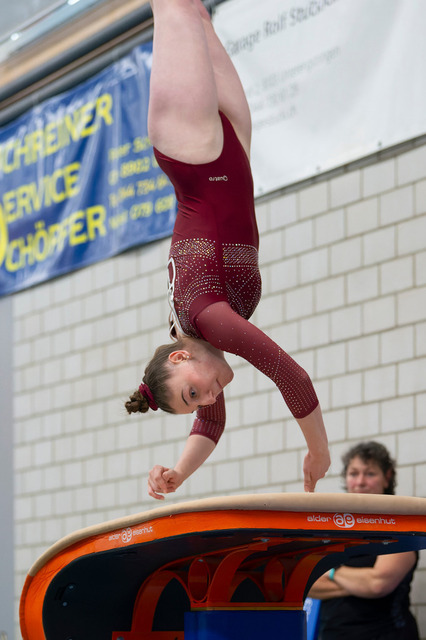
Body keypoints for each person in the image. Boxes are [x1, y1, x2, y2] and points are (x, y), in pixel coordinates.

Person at [125, 0, 330, 500]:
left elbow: (290, 375)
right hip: (231, 146)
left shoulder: (207, 318)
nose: (208, 399)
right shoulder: (201, 336)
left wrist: (318, 451)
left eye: (192, 392)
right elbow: (211, 423)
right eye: (196, 401)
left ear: (179, 356)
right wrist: (179, 473)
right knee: (194, 10)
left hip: (190, 149)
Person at [308, 441, 420, 640]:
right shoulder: (333, 529)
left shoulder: (401, 526)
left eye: (370, 474)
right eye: (353, 473)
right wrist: (360, 584)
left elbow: (377, 584)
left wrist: (331, 571)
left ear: (387, 477)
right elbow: (308, 585)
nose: (360, 482)